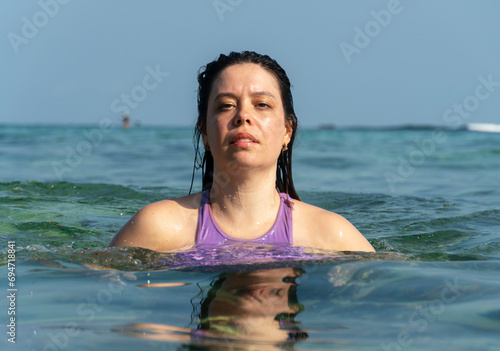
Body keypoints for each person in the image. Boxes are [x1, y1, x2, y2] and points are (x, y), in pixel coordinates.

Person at [107, 51, 374, 253]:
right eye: (225, 105)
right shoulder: (159, 227)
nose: (243, 116)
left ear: (287, 132)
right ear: (205, 133)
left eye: (262, 104)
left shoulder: (329, 235)